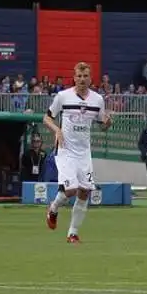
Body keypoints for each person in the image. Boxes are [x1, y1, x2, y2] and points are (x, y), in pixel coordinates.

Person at [43, 62, 113, 243]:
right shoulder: (63, 96)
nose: (82, 79)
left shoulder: (97, 100)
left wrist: (107, 123)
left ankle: (72, 233)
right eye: (79, 76)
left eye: (85, 76)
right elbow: (46, 118)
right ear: (74, 78)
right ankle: (53, 208)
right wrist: (57, 130)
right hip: (65, 150)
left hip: (84, 152)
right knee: (71, 189)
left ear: (90, 79)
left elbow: (102, 124)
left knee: (84, 192)